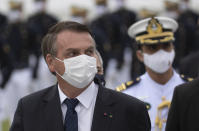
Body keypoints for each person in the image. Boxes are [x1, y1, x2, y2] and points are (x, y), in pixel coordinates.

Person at [10, 21, 151, 131]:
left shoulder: (130, 110)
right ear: (51, 62)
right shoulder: (29, 109)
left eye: (89, 52)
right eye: (73, 53)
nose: (84, 59)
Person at [116, 17, 193, 131]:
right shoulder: (127, 94)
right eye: (153, 48)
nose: (161, 52)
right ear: (140, 55)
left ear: (173, 49)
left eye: (166, 46)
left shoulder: (192, 89)